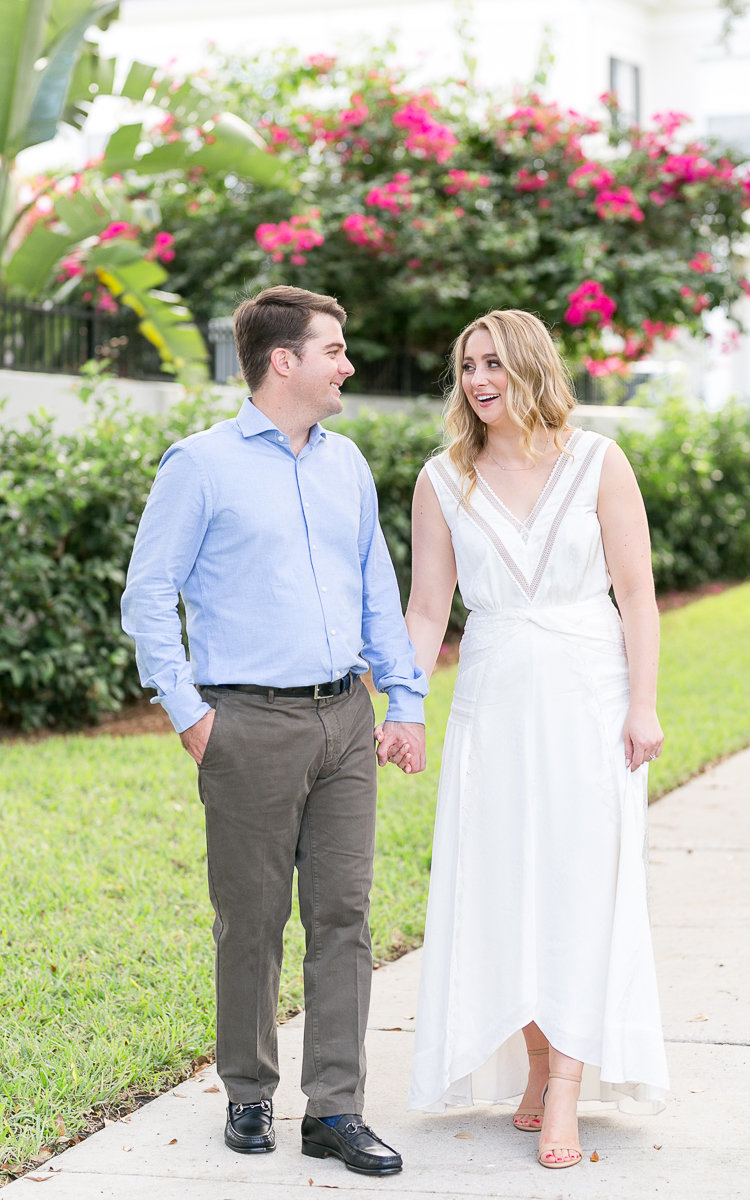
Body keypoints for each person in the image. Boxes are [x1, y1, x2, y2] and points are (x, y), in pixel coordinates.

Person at [121, 285, 426, 1177]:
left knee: (346, 917)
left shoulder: (348, 464)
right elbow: (148, 596)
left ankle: (336, 1109)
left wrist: (400, 701)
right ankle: (249, 1092)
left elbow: (377, 586)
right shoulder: (200, 464)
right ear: (282, 360)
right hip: (245, 721)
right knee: (251, 920)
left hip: (346, 719)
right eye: (333, 348)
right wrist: (191, 716)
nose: (348, 364)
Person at [401, 309, 669, 1170]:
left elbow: (637, 593)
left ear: (531, 367)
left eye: (495, 364)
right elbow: (428, 609)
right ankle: (540, 1059)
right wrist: (406, 704)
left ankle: (563, 1090)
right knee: (503, 881)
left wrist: (644, 705)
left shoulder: (599, 461)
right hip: (494, 697)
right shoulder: (443, 478)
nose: (479, 381)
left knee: (582, 882)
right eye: (468, 366)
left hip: (591, 695)